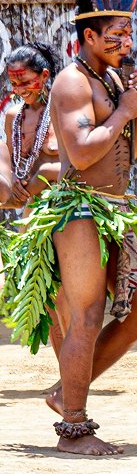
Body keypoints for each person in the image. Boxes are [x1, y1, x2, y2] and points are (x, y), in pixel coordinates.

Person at [47, 0, 137, 455]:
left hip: (116, 208)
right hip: (79, 210)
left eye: (129, 34)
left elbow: (130, 151)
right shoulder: (72, 82)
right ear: (88, 36)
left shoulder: (112, 80)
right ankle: (74, 427)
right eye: (115, 35)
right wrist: (123, 113)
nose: (125, 43)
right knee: (88, 315)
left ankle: (65, 391)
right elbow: (81, 151)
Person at [0, 43, 65, 354]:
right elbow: (13, 165)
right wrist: (14, 185)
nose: (19, 89)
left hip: (68, 207)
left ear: (45, 75)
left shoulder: (64, 110)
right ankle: (68, 369)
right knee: (45, 293)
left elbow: (78, 163)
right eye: (14, 83)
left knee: (67, 294)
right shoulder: (13, 116)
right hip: (33, 215)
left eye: (25, 81)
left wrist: (42, 177)